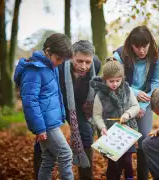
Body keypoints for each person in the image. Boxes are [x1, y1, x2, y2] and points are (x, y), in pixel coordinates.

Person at [13, 33, 74, 180]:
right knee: (66, 154)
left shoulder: (49, 66)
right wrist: (39, 127)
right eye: (58, 58)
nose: (60, 63)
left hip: (50, 121)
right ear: (47, 51)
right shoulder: (34, 69)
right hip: (46, 124)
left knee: (48, 158)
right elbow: (29, 101)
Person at [113, 25, 159, 180]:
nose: (142, 51)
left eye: (145, 46)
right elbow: (116, 81)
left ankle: (142, 176)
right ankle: (115, 175)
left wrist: (141, 106)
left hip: (146, 100)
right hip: (122, 100)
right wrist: (135, 93)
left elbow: (156, 81)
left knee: (144, 140)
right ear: (131, 45)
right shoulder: (119, 55)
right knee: (121, 141)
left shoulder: (157, 54)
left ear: (150, 43)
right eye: (137, 47)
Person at [91, 57, 140, 180]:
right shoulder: (100, 94)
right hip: (110, 133)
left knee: (128, 161)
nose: (115, 84)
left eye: (118, 80)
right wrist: (102, 127)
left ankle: (129, 178)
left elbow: (135, 106)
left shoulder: (127, 90)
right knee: (114, 163)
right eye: (111, 81)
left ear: (122, 78)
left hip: (127, 131)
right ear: (105, 79)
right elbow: (97, 115)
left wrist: (128, 114)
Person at [59, 40, 101, 180]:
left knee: (87, 134)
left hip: (84, 101)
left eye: (87, 62)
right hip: (66, 101)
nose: (84, 66)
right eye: (79, 61)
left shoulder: (96, 64)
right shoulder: (60, 67)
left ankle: (86, 176)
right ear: (71, 57)